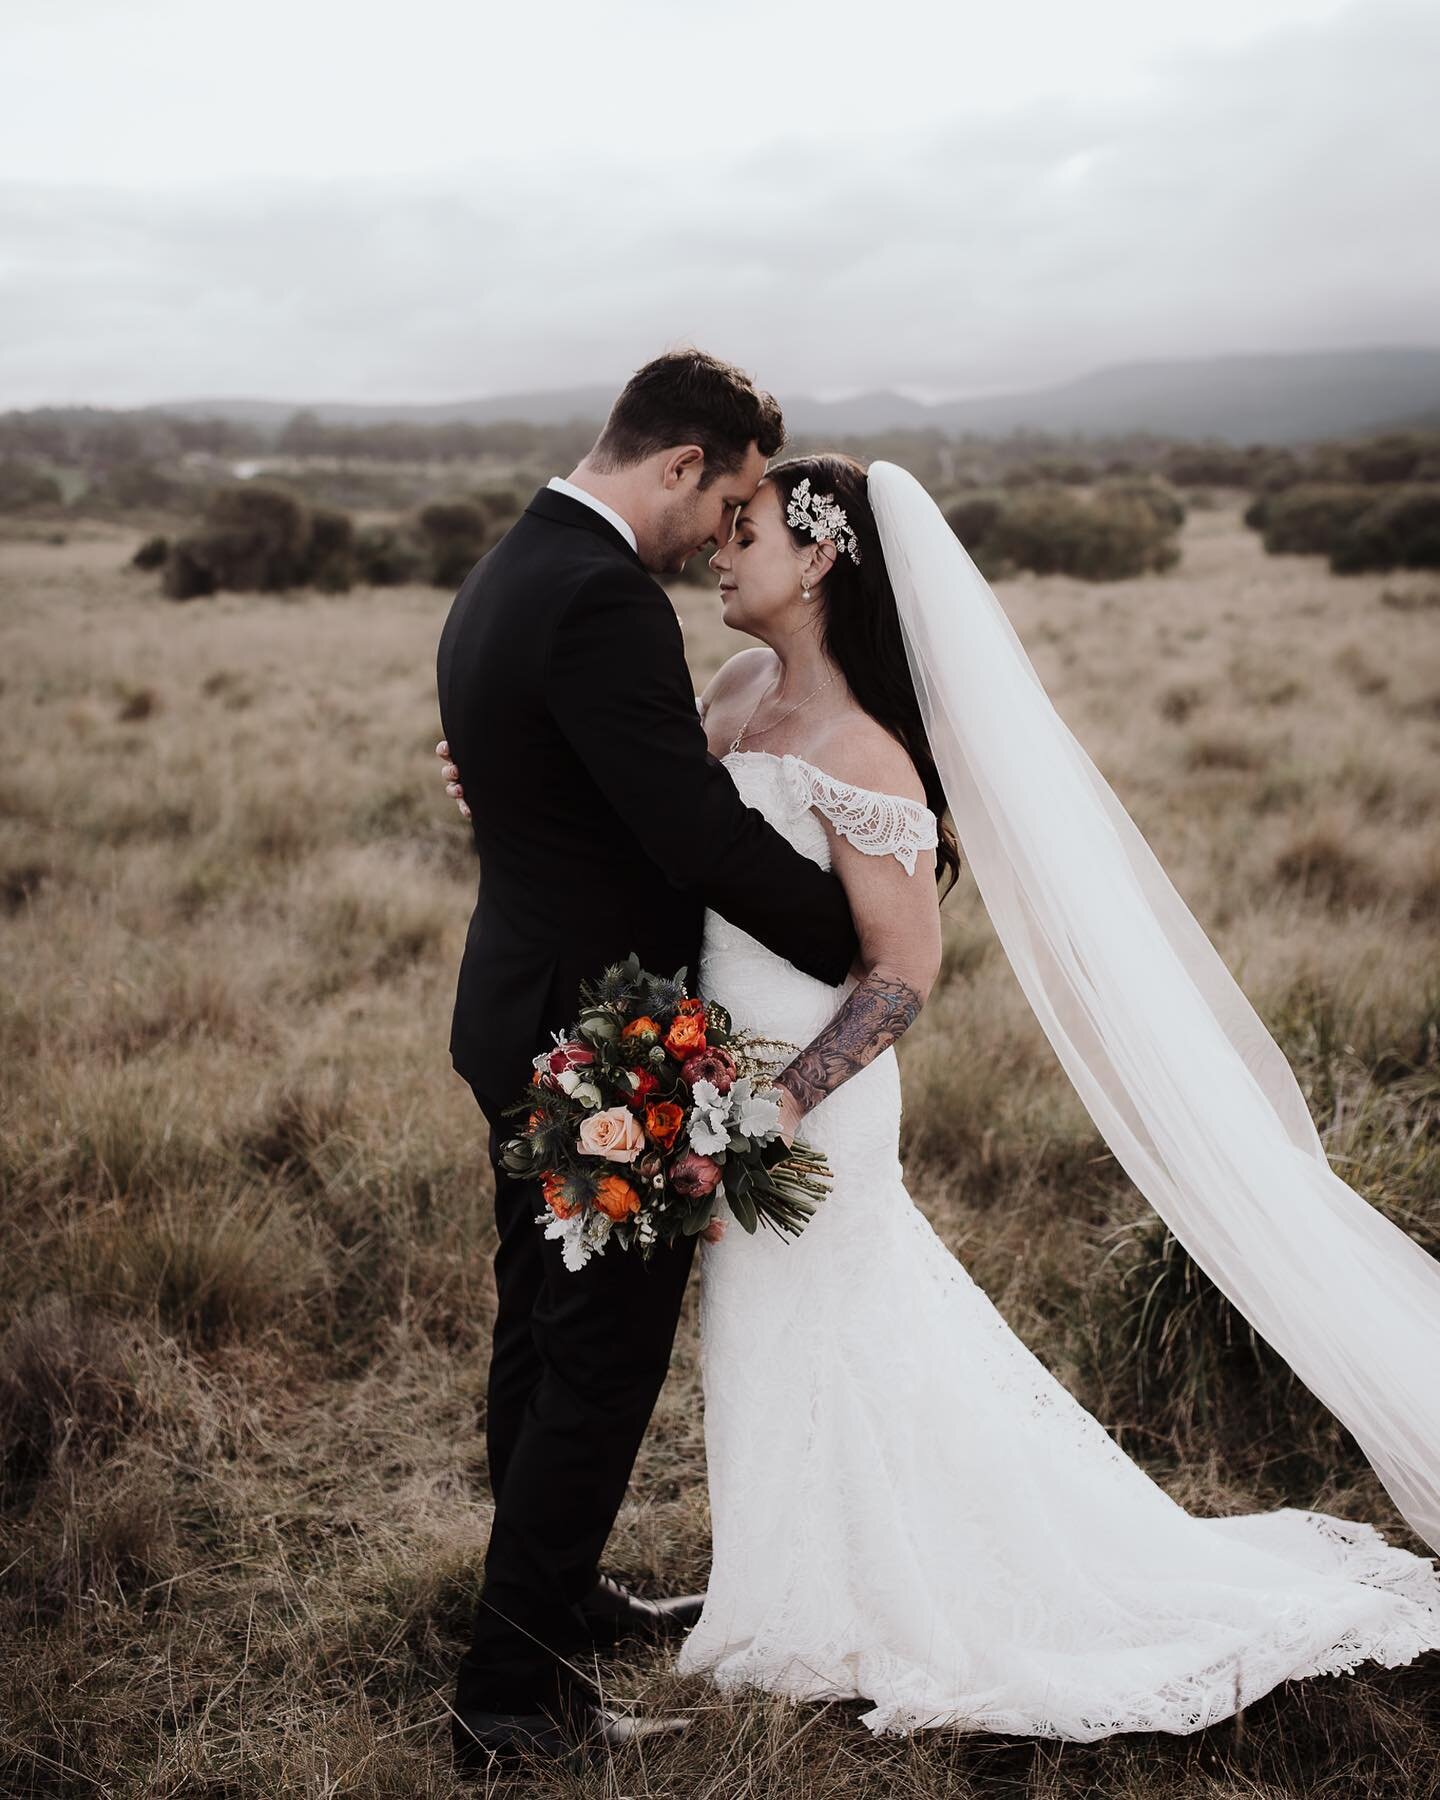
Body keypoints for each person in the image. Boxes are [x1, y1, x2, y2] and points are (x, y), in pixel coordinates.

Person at [441, 451, 1440, 1741]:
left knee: (844, 1331)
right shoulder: (736, 687)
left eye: (743, 533)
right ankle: (792, 1587)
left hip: (805, 1099)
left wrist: (774, 1111)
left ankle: (918, 1593)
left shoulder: (868, 754)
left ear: (817, 562)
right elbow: (649, 806)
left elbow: (902, 973)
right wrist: (509, 781)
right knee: (762, 1341)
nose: (717, 553)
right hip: (703, 1071)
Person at [434, 352, 859, 1773]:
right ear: (682, 466)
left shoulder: (512, 563)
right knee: (601, 1365)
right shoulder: (605, 593)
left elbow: (560, 785)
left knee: (537, 1338)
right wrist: (856, 919)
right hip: (596, 1048)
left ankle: (543, 1598)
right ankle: (509, 1698)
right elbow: (684, 825)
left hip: (518, 1016)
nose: (723, 532)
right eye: (729, 498)